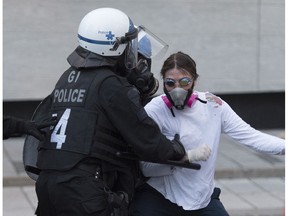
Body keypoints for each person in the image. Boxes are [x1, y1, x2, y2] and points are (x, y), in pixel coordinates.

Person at [33, 8, 188, 216]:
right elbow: (147, 141)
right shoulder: (111, 85)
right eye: (129, 45)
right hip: (84, 191)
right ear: (115, 47)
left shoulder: (67, 78)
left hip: (48, 188)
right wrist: (176, 150)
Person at [130, 51, 285, 216]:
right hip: (161, 197)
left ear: (195, 81)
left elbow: (252, 137)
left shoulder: (213, 106)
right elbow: (146, 168)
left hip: (201, 199)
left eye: (184, 82)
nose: (177, 90)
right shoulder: (155, 110)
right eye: (170, 83)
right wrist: (185, 157)